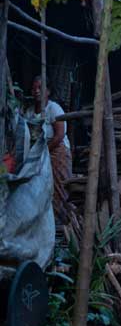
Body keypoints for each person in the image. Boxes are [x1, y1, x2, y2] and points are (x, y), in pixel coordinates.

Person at [27, 76, 71, 219]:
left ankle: (60, 221)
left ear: (48, 91)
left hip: (57, 150)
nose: (37, 91)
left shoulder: (53, 108)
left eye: (40, 88)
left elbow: (59, 135)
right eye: (34, 88)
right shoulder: (29, 111)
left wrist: (44, 150)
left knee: (58, 186)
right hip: (38, 152)